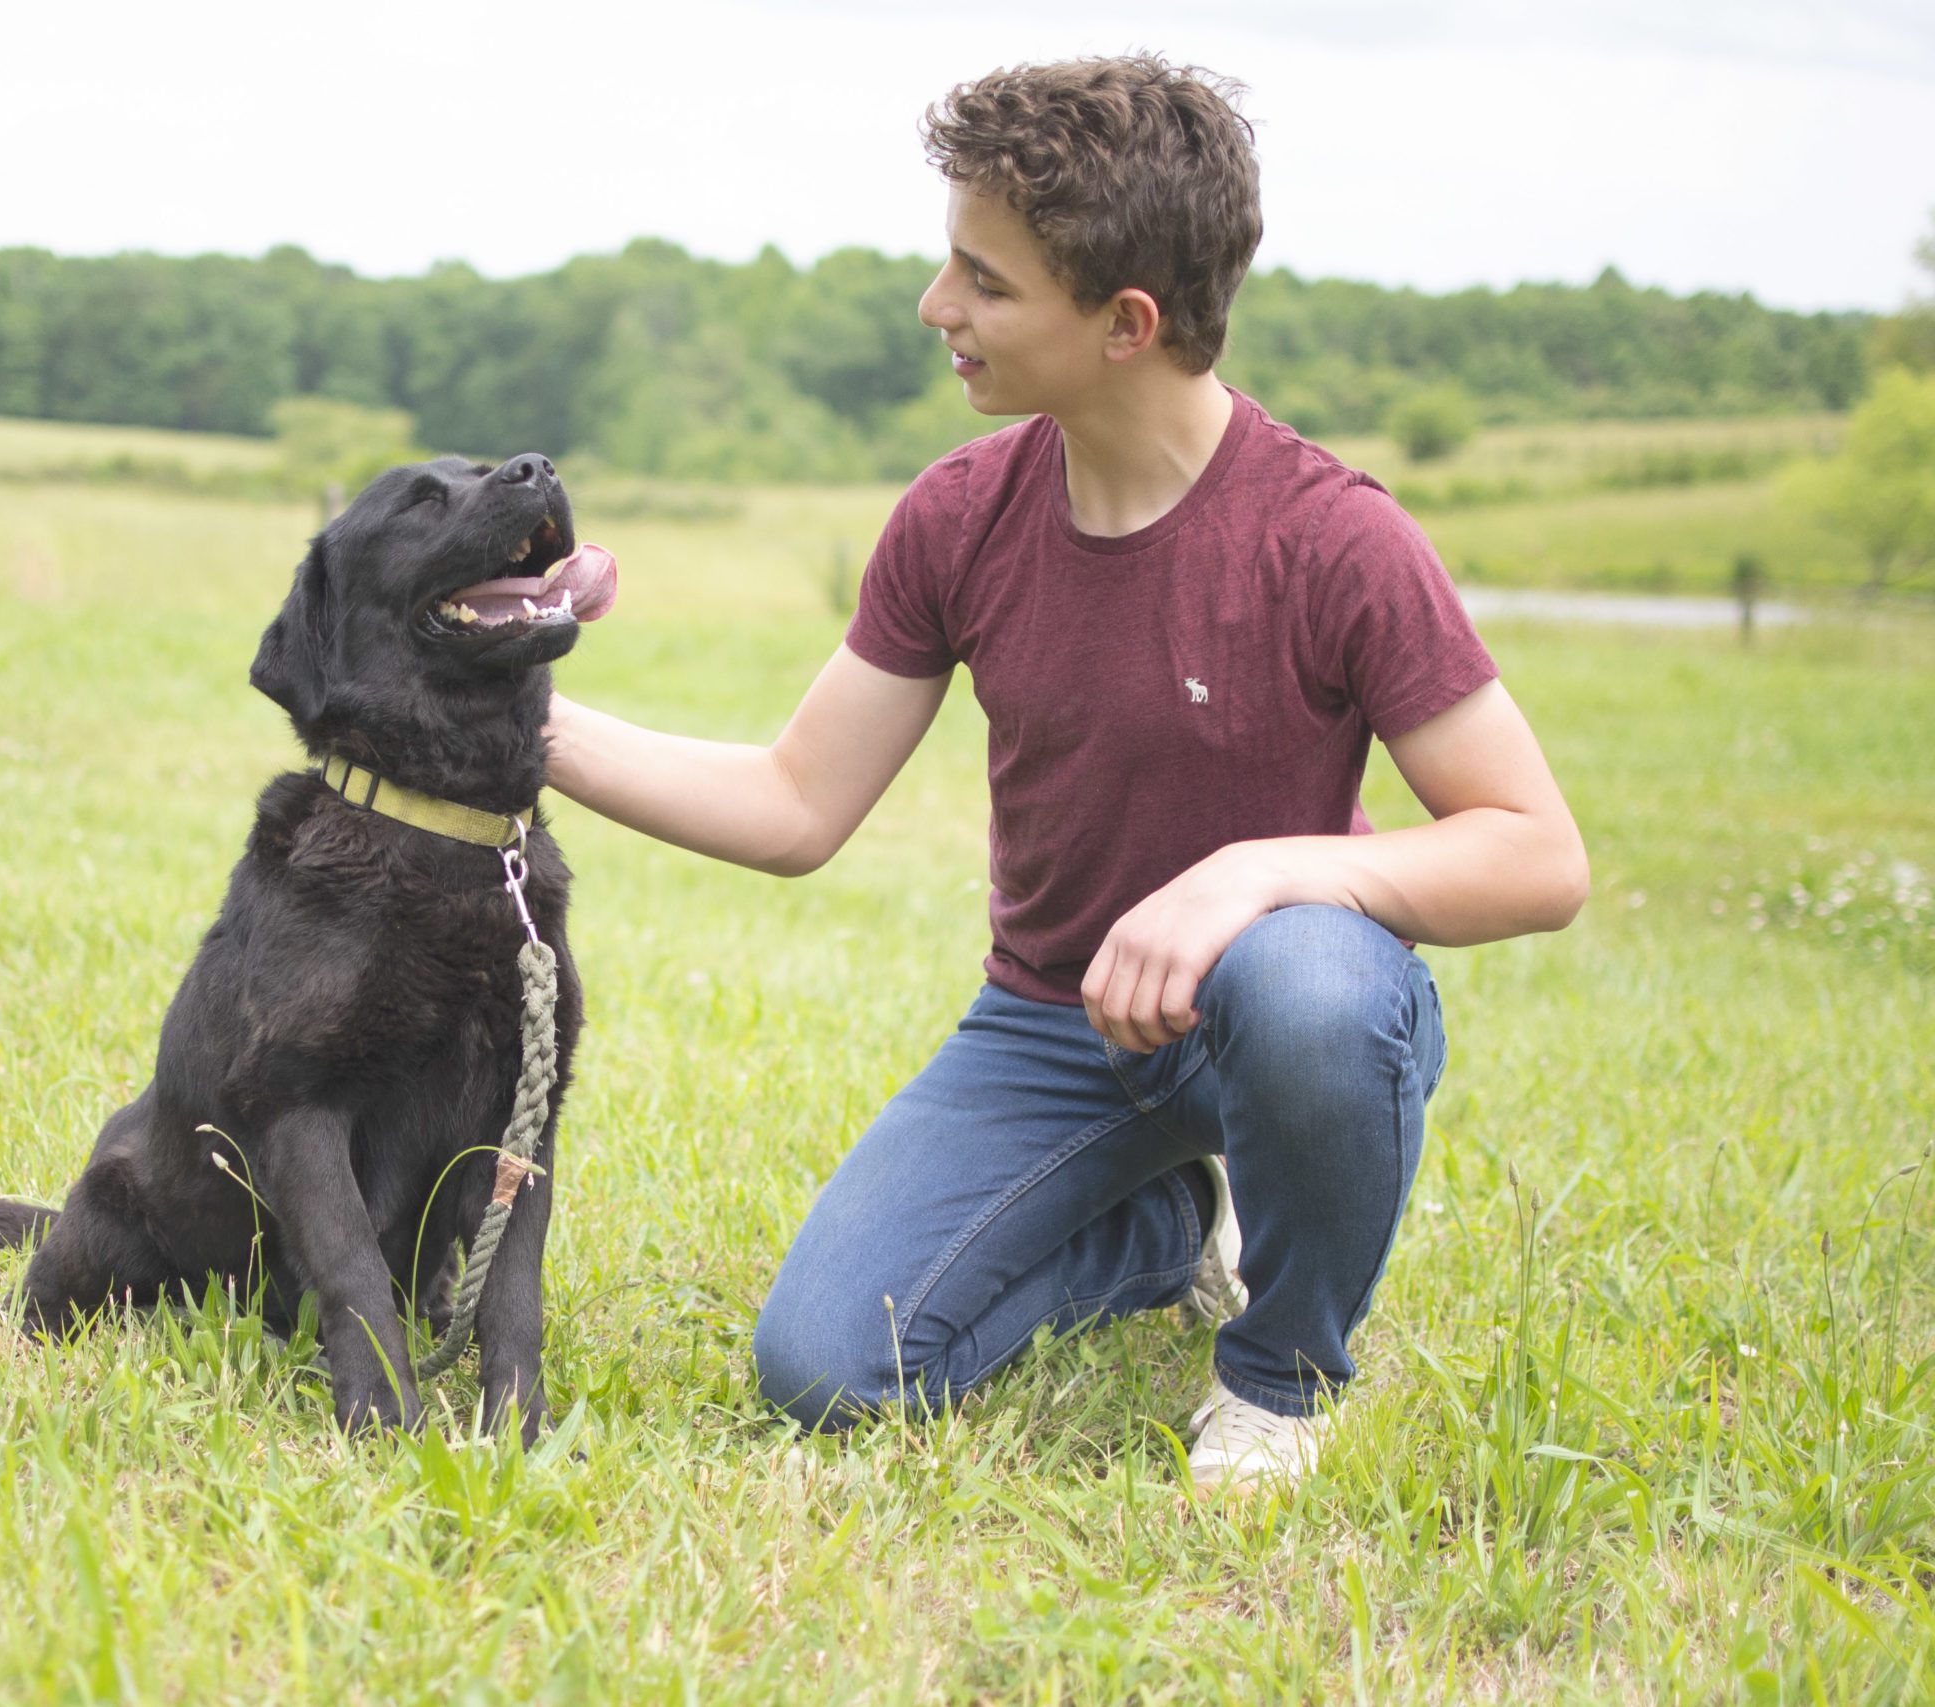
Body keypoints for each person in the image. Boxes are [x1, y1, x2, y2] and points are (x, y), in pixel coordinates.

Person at [544, 55, 1587, 1493]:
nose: (937, 308)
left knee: (1315, 984)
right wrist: (517, 729)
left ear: (1126, 323)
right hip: (1051, 1030)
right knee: (828, 1372)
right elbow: (794, 807)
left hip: (1273, 1022)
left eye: (984, 280)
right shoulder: (959, 516)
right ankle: (1161, 1234)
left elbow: (1538, 852)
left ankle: (1282, 1375)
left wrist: (1255, 875)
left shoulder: (1333, 538)